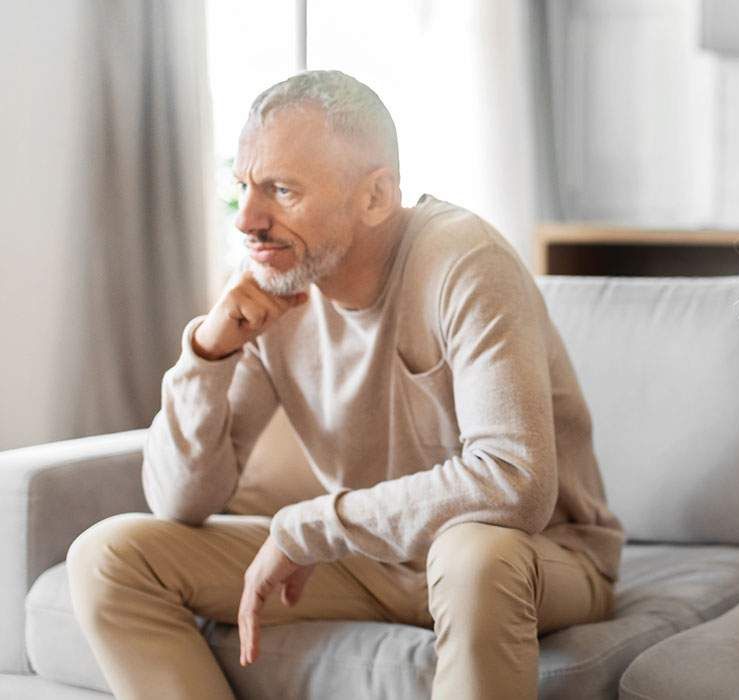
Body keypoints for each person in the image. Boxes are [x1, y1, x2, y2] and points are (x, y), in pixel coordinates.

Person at [66, 70, 622, 700]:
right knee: (111, 558)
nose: (248, 219)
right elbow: (181, 502)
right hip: (374, 561)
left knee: (471, 555)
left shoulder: (464, 261)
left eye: (281, 190)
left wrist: (310, 527)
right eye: (244, 186)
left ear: (376, 197)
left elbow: (514, 480)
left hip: (534, 558)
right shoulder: (274, 287)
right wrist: (206, 353)